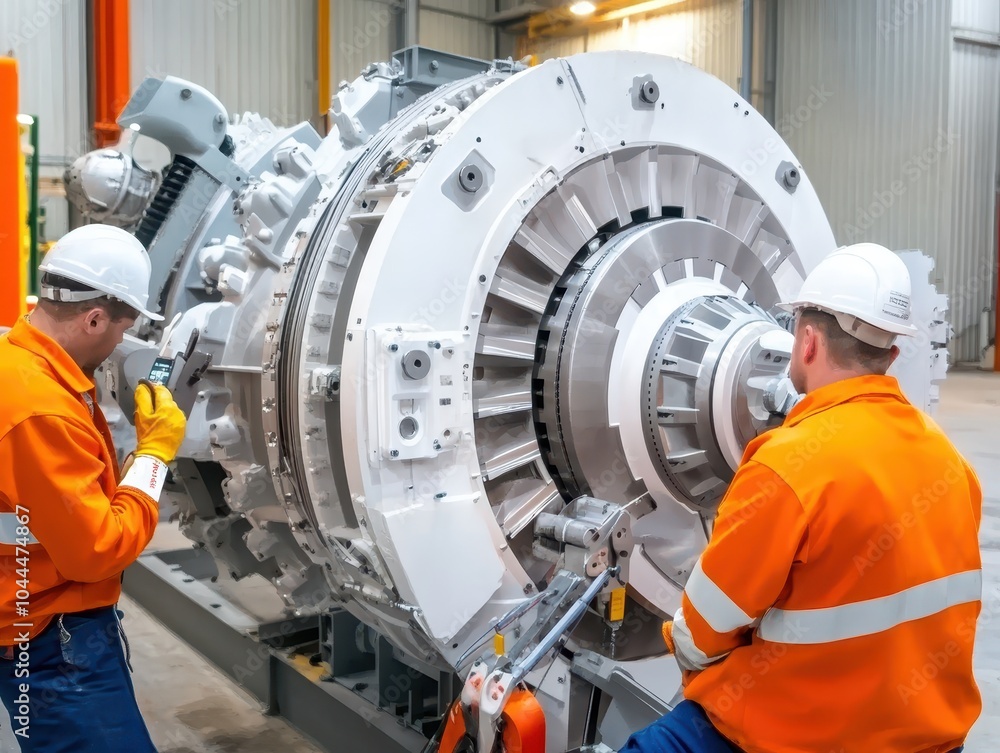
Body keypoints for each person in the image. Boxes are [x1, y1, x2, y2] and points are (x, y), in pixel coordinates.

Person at [621, 243, 982, 753]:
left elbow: (701, 632)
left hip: (804, 738)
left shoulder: (786, 466)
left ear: (807, 342)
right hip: (932, 741)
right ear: (892, 354)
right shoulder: (950, 463)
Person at [0, 224, 187, 753]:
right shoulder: (41, 409)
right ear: (94, 318)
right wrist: (153, 456)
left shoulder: (19, 363)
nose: (118, 346)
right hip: (52, 642)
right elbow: (96, 550)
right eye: (121, 330)